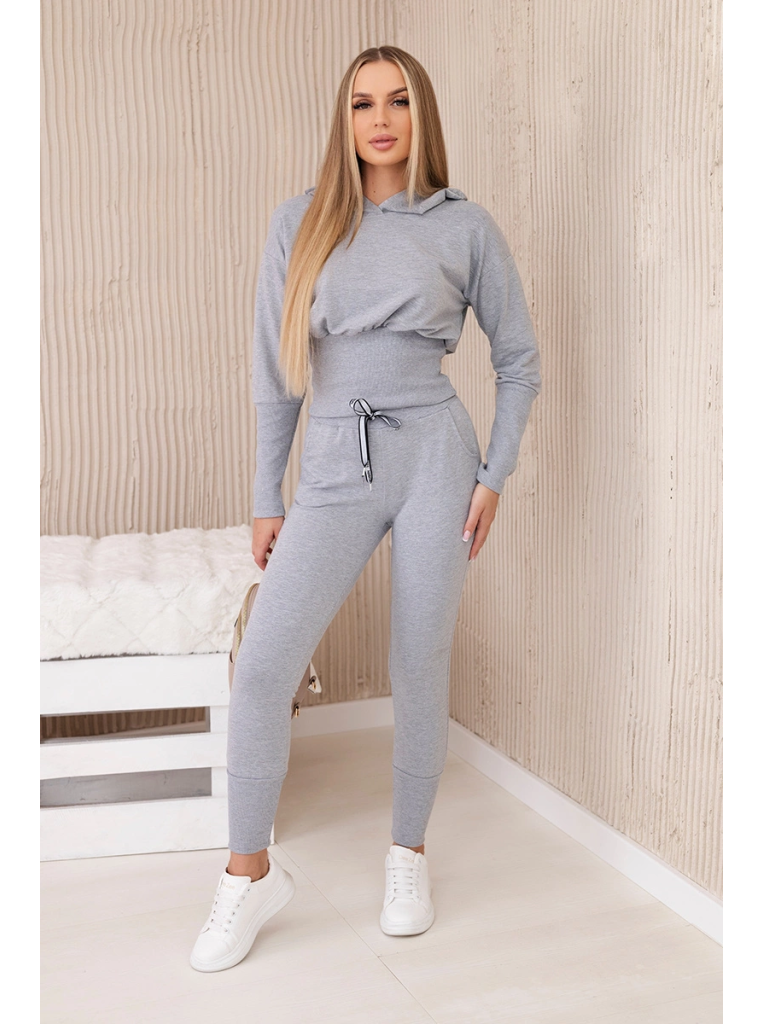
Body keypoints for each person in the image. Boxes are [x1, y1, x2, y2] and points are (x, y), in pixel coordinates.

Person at [190, 45, 541, 973]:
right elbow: (276, 374)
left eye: (396, 101)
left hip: (437, 459)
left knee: (417, 660)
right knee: (264, 665)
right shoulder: (301, 221)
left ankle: (407, 856)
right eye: (361, 104)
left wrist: (493, 475)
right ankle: (247, 874)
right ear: (343, 121)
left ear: (421, 114)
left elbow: (518, 359)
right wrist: (266, 495)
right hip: (335, 467)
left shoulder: (464, 226)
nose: (380, 119)